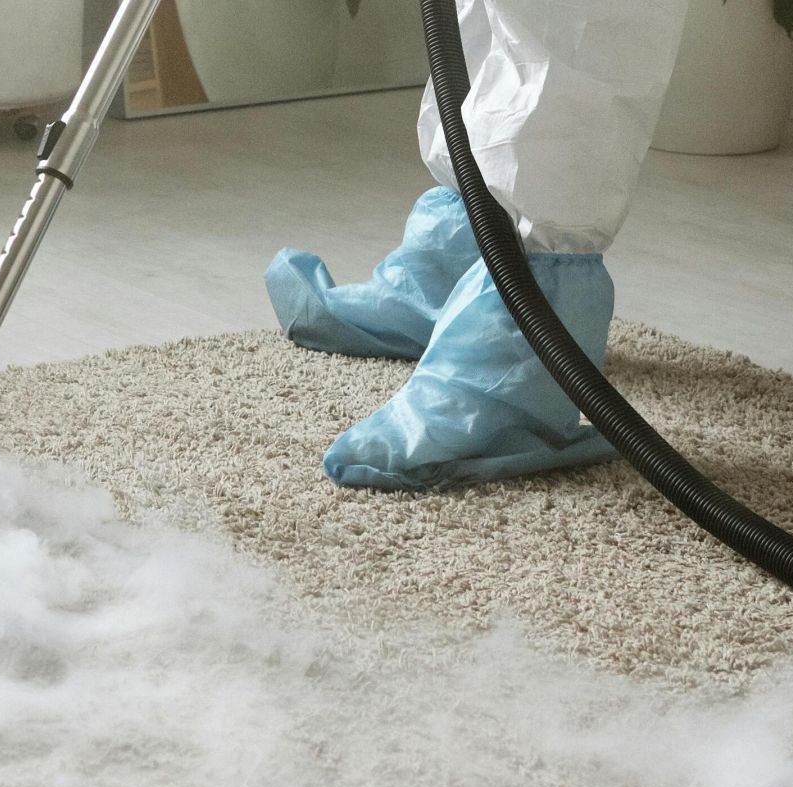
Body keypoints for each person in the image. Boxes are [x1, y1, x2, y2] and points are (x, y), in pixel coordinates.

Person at [264, 0, 687, 490]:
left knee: (571, 17)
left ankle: (521, 352)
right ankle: (453, 274)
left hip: (535, 279)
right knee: (488, 15)